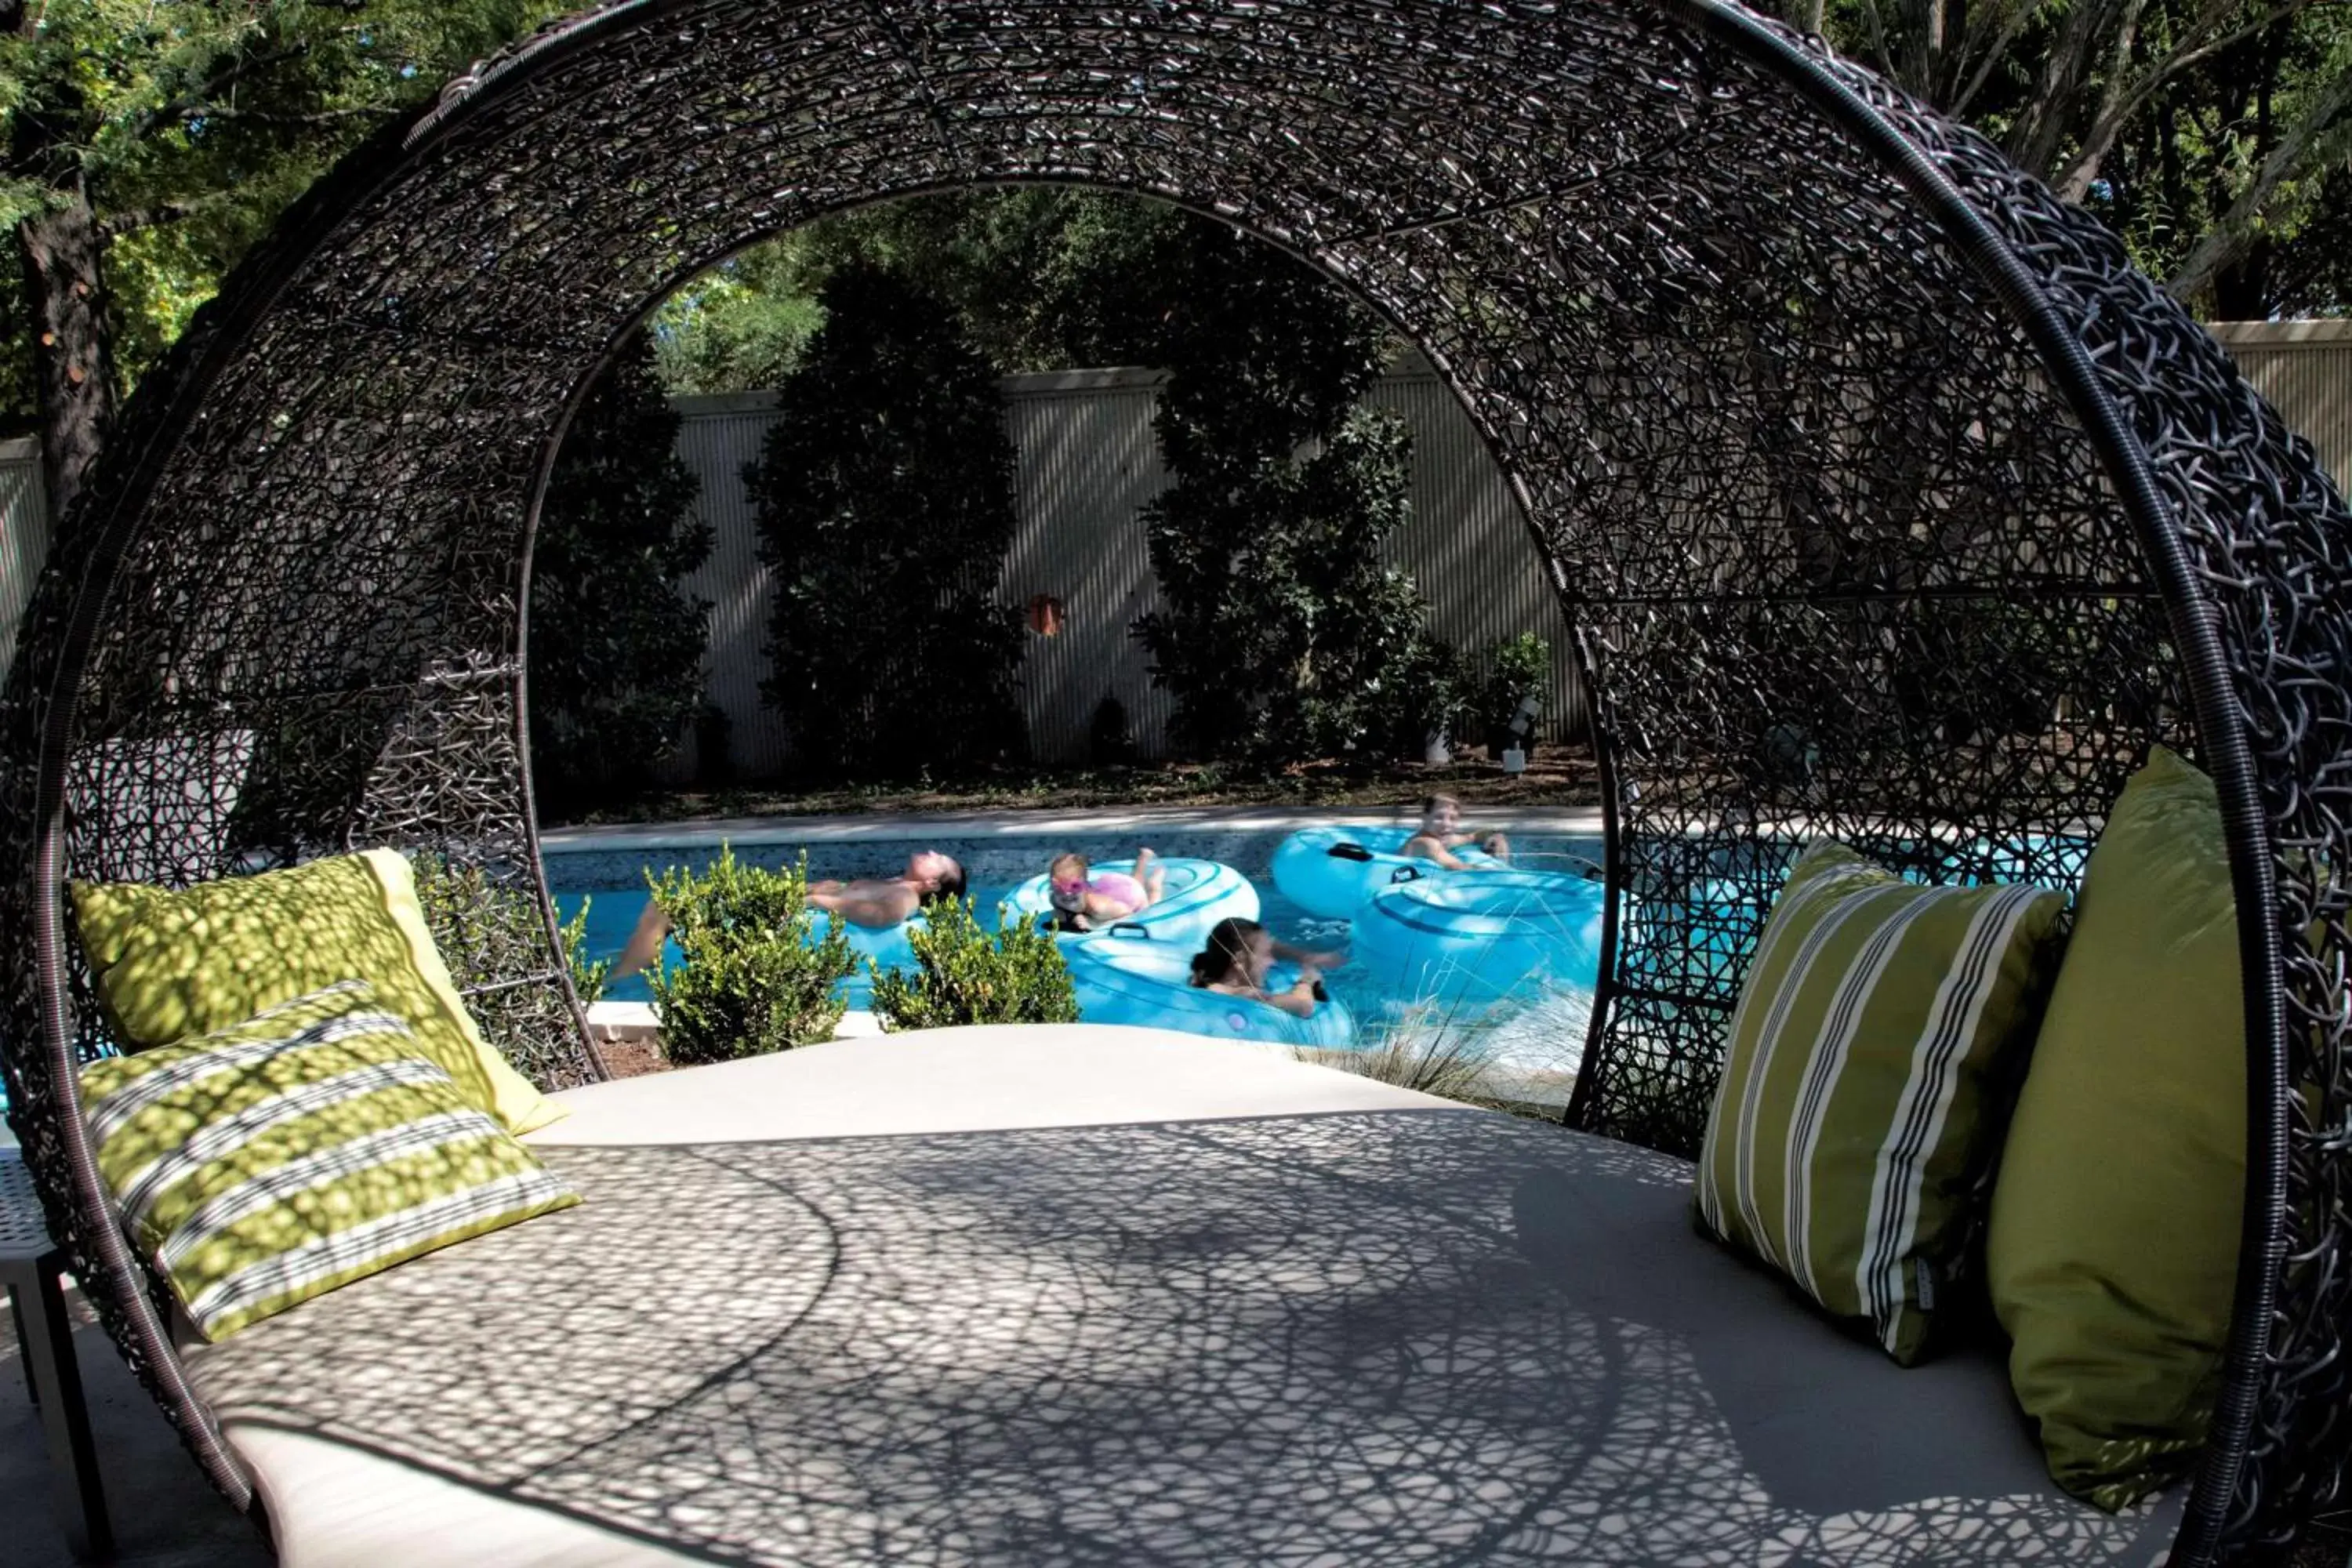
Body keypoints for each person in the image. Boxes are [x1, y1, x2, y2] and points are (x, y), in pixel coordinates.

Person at [608, 850, 967, 982]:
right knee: (671, 901)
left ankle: (621, 981)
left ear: (933, 883)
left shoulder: (905, 896)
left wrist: (824, 902)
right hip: (788, 901)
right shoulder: (895, 882)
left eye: (939, 859)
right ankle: (632, 972)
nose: (932, 850)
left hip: (793, 915)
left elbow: (884, 915)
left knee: (665, 908)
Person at [1187, 916, 1336, 1019]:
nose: (1272, 962)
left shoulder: (1199, 980)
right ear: (1239, 960)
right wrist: (1307, 982)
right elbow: (1303, 1006)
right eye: (1265, 955)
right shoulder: (1242, 994)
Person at [1047, 847, 1165, 931]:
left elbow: (1127, 913)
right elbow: (1058, 912)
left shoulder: (1099, 908)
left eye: (1074, 886)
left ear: (1084, 885)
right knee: (1135, 880)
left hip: (1130, 896)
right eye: (1058, 888)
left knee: (1149, 910)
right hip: (1112, 888)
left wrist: (1095, 925)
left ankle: (1154, 885)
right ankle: (1143, 859)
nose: (1067, 893)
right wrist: (1070, 917)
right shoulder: (1055, 899)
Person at [1401, 793, 1510, 869]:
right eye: (1439, 817)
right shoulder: (1426, 843)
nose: (1446, 824)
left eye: (1452, 818)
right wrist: (1500, 873)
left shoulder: (1443, 839)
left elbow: (1472, 837)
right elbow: (1457, 867)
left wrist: (1497, 837)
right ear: (1424, 817)